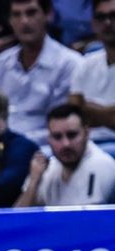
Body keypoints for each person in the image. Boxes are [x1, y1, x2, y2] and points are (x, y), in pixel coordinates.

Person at [0, 0, 83, 146]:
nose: (24, 21)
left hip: (45, 149)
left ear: (48, 15)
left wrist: (16, 142)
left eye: (31, 13)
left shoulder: (70, 65)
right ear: (10, 20)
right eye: (17, 15)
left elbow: (63, 126)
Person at [14, 103, 115, 205]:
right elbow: (18, 214)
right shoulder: (48, 168)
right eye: (57, 137)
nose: (66, 144)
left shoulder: (100, 164)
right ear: (49, 139)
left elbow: (87, 214)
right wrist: (34, 182)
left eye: (72, 135)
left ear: (86, 133)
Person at [68, 0, 115, 156]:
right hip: (83, 143)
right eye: (100, 17)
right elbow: (74, 112)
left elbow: (80, 108)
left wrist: (87, 107)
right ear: (93, 24)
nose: (107, 23)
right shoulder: (85, 63)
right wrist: (108, 113)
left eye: (113, 16)